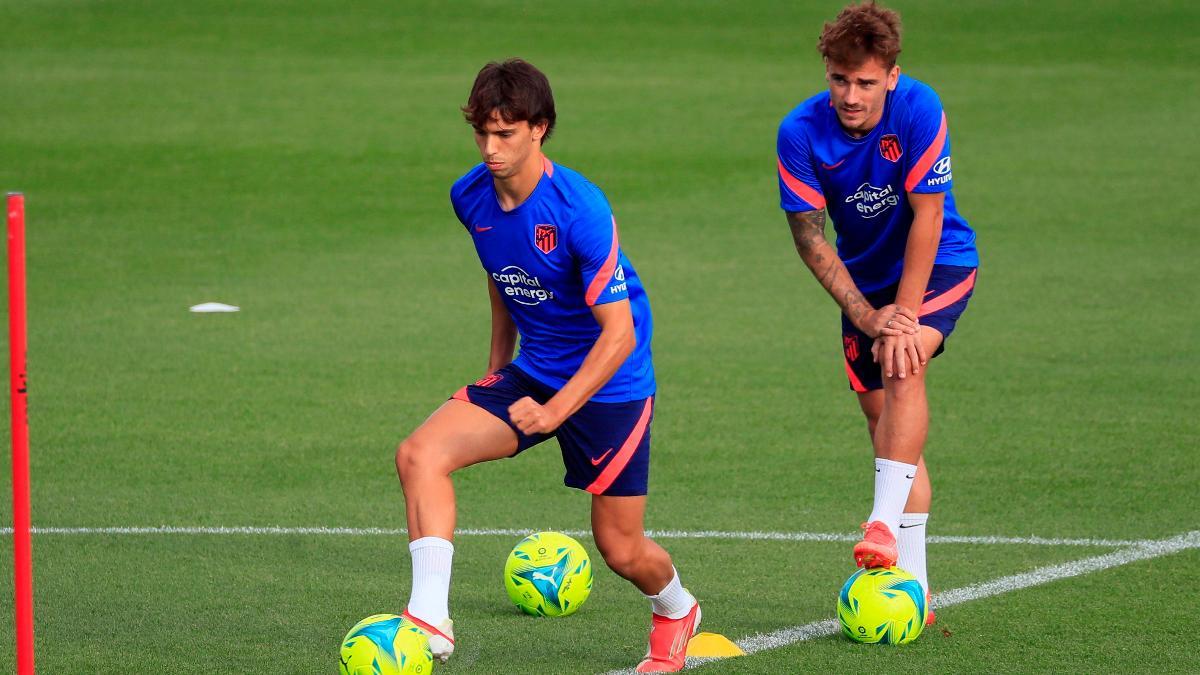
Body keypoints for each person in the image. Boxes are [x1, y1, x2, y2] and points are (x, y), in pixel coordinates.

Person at [394, 58, 700, 672]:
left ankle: (676, 608)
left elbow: (619, 335)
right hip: (534, 370)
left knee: (620, 548)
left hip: (612, 385)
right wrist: (494, 369)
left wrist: (555, 411)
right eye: (482, 132)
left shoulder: (578, 207)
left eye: (505, 134)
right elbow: (500, 275)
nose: (490, 148)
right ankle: (429, 617)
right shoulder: (469, 196)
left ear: (540, 129)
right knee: (419, 455)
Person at [776, 2, 979, 624]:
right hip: (861, 286)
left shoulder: (919, 108)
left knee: (903, 361)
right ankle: (916, 593)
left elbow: (929, 215)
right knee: (885, 427)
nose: (851, 95)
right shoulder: (800, 132)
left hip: (939, 263)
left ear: (892, 75)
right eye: (839, 79)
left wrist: (903, 319)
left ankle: (880, 525)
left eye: (866, 82)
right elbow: (810, 238)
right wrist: (868, 316)